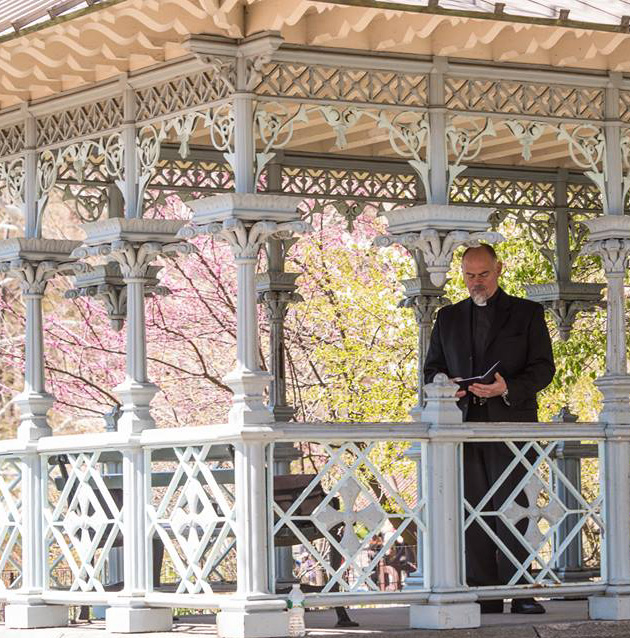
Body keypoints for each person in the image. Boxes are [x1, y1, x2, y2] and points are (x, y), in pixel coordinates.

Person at [424, 244, 555, 615]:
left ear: (499, 269)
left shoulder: (527, 314)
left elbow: (544, 369)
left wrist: (506, 387)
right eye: (469, 275)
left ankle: (522, 591)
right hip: (462, 427)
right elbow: (429, 370)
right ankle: (486, 594)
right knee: (472, 508)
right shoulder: (447, 318)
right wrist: (447, 383)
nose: (476, 282)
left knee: (515, 507)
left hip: (511, 423)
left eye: (483, 274)